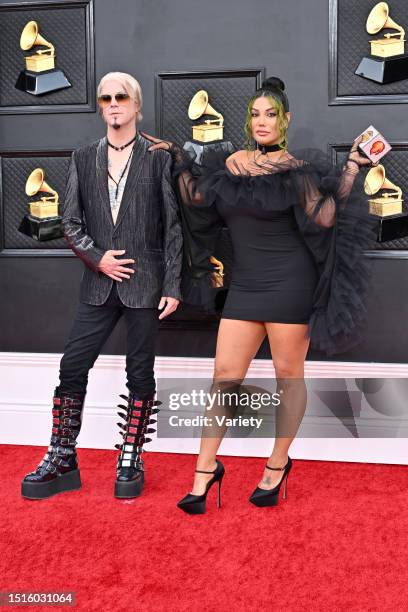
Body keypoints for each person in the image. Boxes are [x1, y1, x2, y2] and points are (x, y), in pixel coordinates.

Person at [144, 76, 376, 513]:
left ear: (286, 120)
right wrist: (178, 156)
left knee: (289, 377)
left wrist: (350, 169)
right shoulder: (231, 163)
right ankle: (205, 471)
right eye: (255, 114)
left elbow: (325, 219)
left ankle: (276, 463)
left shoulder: (296, 170)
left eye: (271, 114)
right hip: (246, 286)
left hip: (291, 283)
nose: (262, 121)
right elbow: (196, 197)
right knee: (223, 380)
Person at [21, 72, 183, 501]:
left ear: (136, 106)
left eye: (121, 97)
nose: (113, 104)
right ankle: (62, 455)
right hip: (97, 284)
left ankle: (131, 454)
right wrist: (98, 259)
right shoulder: (82, 157)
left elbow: (173, 228)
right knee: (72, 365)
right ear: (100, 105)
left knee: (140, 371)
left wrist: (173, 285)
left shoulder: (158, 158)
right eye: (105, 98)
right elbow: (70, 223)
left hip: (145, 284)